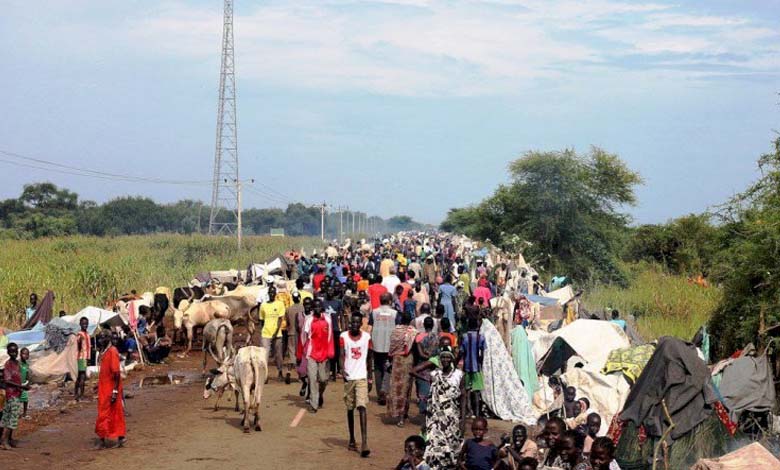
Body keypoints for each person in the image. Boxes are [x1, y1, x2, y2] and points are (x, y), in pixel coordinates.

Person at [422, 346, 465, 469]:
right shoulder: (435, 374)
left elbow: (463, 396)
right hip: (435, 419)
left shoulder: (459, 375)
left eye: (447, 357)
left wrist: (463, 419)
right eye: (443, 357)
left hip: (452, 417)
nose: (445, 359)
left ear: (451, 359)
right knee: (434, 444)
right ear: (440, 359)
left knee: (451, 445)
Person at [339, 314, 372, 457]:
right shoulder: (343, 337)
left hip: (361, 377)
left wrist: (370, 377)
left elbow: (370, 357)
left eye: (357, 322)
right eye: (352, 322)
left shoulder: (366, 337)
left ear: (360, 324)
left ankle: (364, 442)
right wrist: (342, 370)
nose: (354, 324)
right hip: (349, 377)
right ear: (349, 323)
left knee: (362, 406)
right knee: (350, 408)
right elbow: (341, 355)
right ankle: (352, 438)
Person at [94, 332, 126, 449]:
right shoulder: (105, 352)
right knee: (110, 412)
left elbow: (116, 373)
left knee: (107, 413)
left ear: (108, 339)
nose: (100, 340)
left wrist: (115, 391)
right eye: (99, 338)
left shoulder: (112, 351)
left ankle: (103, 439)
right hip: (104, 387)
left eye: (103, 338)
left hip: (111, 388)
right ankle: (119, 437)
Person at [387, 312, 417, 427]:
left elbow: (392, 347)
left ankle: (397, 412)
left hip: (397, 361)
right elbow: (414, 347)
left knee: (396, 387)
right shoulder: (412, 332)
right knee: (406, 388)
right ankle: (402, 415)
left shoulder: (395, 331)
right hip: (408, 360)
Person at [0, 343, 30, 449]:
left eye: (15, 351)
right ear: (8, 352)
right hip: (11, 393)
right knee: (11, 418)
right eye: (11, 351)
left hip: (17, 393)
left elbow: (21, 375)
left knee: (8, 417)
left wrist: (24, 385)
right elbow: (7, 381)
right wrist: (21, 387)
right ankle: (4, 441)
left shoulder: (17, 363)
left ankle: (8, 439)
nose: (14, 353)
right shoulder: (8, 364)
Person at [369, 292, 397, 405]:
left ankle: (379, 392)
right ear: (390, 301)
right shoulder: (395, 313)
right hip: (389, 346)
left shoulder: (374, 313)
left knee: (377, 369)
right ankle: (384, 390)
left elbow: (370, 328)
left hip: (376, 345)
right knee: (388, 368)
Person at [305, 303, 333, 413]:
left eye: (318, 307)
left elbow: (330, 336)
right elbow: (305, 337)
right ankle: (314, 404)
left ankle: (320, 394)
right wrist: (302, 353)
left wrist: (330, 351)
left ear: (321, 308)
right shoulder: (309, 320)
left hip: (324, 354)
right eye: (314, 307)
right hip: (312, 353)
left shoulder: (328, 320)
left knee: (323, 379)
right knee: (312, 378)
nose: (316, 309)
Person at [460, 317, 486, 418]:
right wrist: (481, 363)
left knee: (466, 391)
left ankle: (468, 410)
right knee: (476, 392)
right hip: (477, 367)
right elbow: (482, 353)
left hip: (467, 366)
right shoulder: (481, 337)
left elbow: (462, 351)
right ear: (477, 326)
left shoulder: (464, 337)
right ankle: (477, 412)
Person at [260, 286, 286, 381]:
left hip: (277, 334)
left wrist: (276, 332)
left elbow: (280, 319)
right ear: (268, 294)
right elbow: (262, 320)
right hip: (266, 334)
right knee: (264, 355)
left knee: (278, 354)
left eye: (273, 293)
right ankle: (265, 375)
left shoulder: (280, 304)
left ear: (275, 294)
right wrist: (264, 330)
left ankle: (280, 372)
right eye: (270, 293)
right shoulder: (263, 305)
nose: (271, 294)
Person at [284, 292, 304, 384]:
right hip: (301, 335)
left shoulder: (288, 309)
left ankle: (289, 371)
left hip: (291, 333)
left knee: (291, 353)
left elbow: (287, 322)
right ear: (299, 298)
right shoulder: (303, 308)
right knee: (300, 353)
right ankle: (300, 376)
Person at [75, 316, 90, 401]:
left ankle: (77, 393)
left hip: (85, 357)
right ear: (80, 324)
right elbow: (79, 346)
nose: (85, 325)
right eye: (83, 323)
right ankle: (81, 394)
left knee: (80, 376)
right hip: (81, 357)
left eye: (86, 323)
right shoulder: (80, 334)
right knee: (82, 376)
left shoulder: (87, 334)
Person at [19, 348, 30, 420]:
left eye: (27, 354)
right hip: (17, 385)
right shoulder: (18, 364)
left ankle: (24, 414)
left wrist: (27, 382)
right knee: (16, 400)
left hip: (24, 384)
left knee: (25, 399)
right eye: (23, 353)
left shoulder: (26, 365)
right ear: (20, 354)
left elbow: (27, 374)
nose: (25, 355)